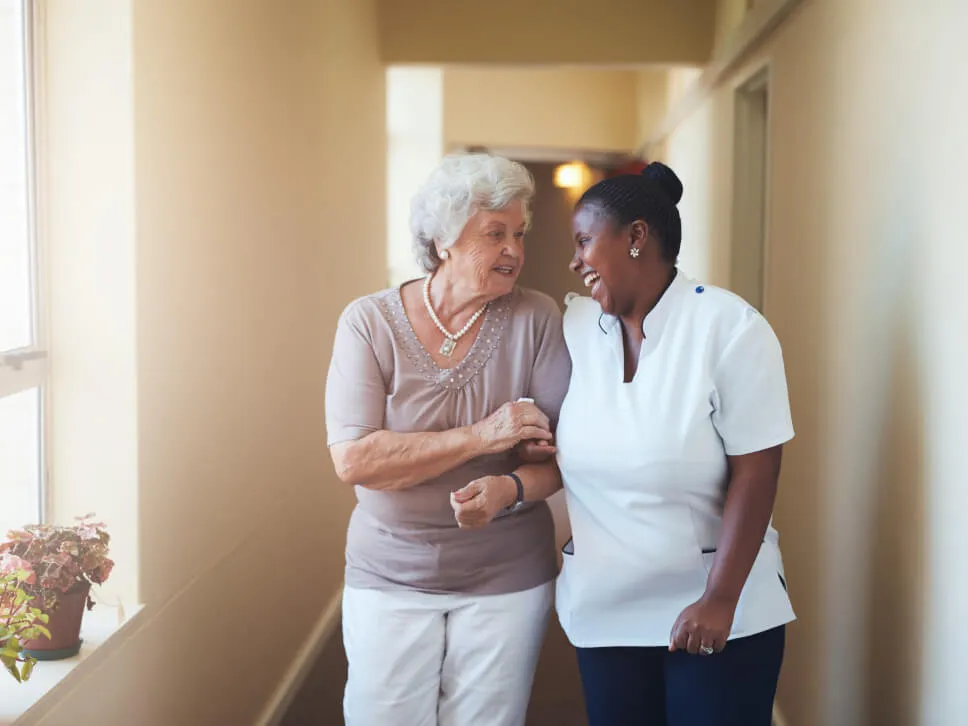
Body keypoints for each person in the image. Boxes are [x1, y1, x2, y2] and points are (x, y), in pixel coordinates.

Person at [324, 153, 571, 726]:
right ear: (442, 243)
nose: (514, 249)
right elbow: (356, 459)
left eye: (519, 233)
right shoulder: (369, 323)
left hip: (507, 574)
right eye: (495, 233)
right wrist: (486, 435)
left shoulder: (537, 318)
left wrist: (509, 487)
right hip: (389, 571)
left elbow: (560, 459)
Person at [554, 161, 796, 726]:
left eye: (584, 241)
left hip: (713, 611)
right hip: (606, 612)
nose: (574, 260)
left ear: (637, 236)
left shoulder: (731, 327)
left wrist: (720, 598)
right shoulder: (576, 330)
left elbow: (757, 472)